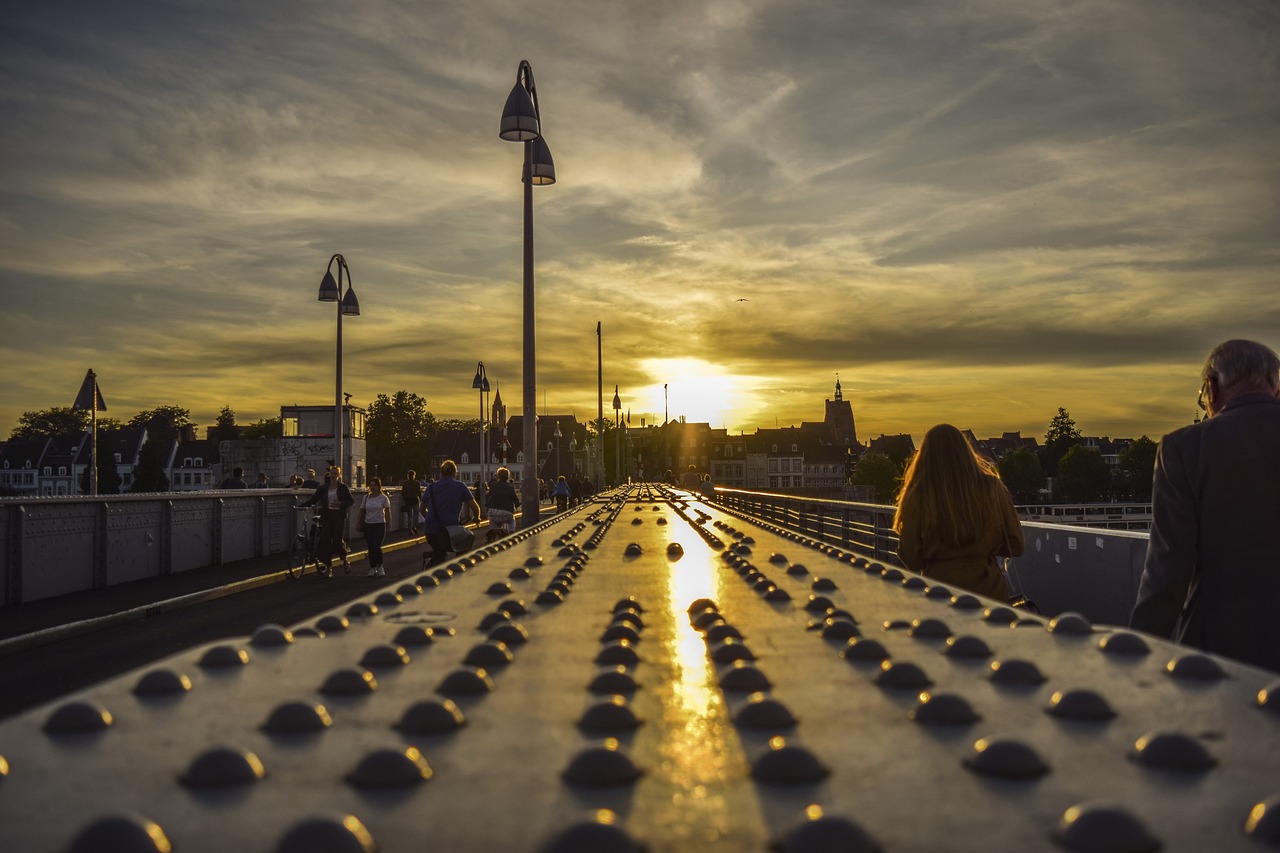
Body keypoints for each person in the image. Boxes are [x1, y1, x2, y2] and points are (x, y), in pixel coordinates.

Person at [1129, 339, 1280, 672]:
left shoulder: (1185, 449)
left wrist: (1134, 655)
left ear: (1211, 387)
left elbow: (1167, 572)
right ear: (1275, 386)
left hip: (1222, 650)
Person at [892, 423, 1023, 599]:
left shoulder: (919, 495)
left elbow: (911, 559)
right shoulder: (993, 488)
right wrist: (982, 548)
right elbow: (1016, 545)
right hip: (989, 590)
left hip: (940, 591)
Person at [419, 460, 481, 567]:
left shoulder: (431, 487)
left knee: (439, 552)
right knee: (466, 542)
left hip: (430, 531)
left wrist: (430, 519)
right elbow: (475, 508)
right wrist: (477, 518)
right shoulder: (460, 486)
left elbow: (421, 509)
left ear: (441, 473)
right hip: (450, 532)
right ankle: (457, 566)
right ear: (454, 473)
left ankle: (435, 563)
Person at [296, 467, 354, 574]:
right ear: (329, 475)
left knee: (337, 541)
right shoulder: (323, 488)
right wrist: (301, 506)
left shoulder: (343, 487)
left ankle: (345, 561)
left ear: (338, 475)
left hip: (338, 516)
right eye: (331, 473)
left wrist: (340, 503)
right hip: (327, 516)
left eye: (335, 473)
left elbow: (351, 501)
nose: (333, 475)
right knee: (325, 542)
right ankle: (328, 567)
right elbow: (314, 499)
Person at [359, 477, 392, 578]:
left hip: (379, 524)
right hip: (368, 524)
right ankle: (372, 567)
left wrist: (388, 526)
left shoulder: (383, 498)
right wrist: (358, 522)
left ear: (379, 486)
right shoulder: (366, 498)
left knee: (376, 546)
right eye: (371, 485)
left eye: (375, 485)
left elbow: (387, 512)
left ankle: (380, 566)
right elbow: (362, 511)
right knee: (370, 547)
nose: (372, 487)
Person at [486, 466, 518, 541]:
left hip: (493, 512)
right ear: (508, 477)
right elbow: (515, 499)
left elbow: (489, 493)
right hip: (506, 512)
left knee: (492, 521)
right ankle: (511, 533)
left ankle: (493, 533)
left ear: (498, 476)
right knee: (511, 521)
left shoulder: (493, 486)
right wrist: (518, 504)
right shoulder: (510, 488)